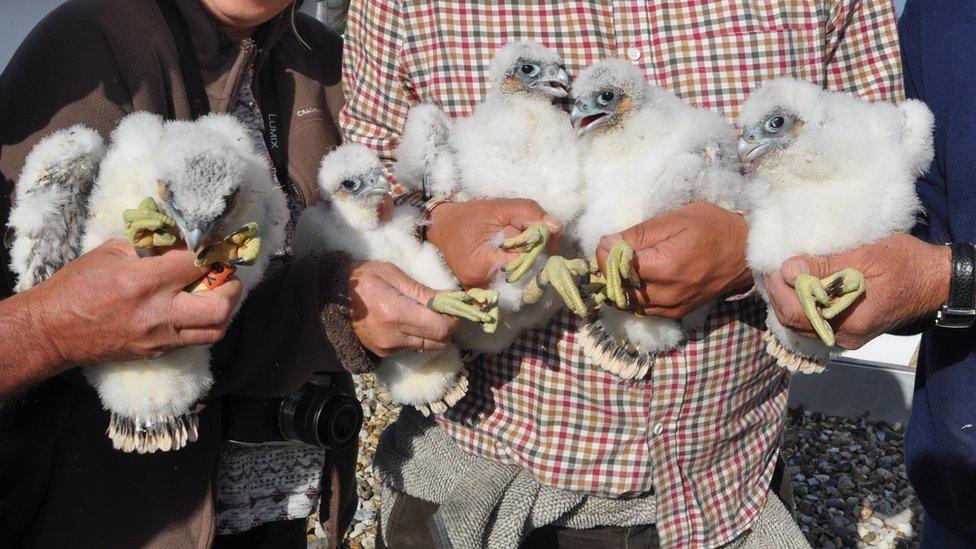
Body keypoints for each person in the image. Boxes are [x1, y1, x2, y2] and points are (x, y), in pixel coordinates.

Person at [342, 0, 905, 547]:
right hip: (476, 476)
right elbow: (357, 180)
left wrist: (749, 244)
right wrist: (436, 228)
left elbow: (883, 163)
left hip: (731, 488)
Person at [0, 0, 459, 547]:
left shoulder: (329, 59)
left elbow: (390, 221)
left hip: (284, 505)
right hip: (126, 516)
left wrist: (447, 237)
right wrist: (328, 311)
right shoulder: (92, 41)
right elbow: (55, 310)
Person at [765, 0, 976, 546]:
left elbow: (934, 269)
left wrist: (946, 278)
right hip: (959, 485)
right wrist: (882, 281)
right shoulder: (941, 13)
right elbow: (918, 213)